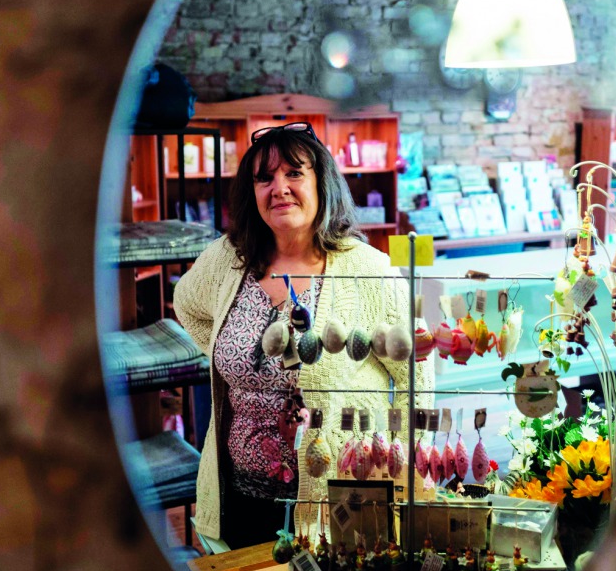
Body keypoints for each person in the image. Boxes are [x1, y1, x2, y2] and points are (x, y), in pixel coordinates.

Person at [173, 122, 432, 548]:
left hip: (340, 497)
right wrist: (228, 352)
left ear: (322, 183)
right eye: (264, 178)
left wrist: (401, 461)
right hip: (238, 496)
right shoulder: (228, 258)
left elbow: (416, 375)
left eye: (295, 172)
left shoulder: (366, 267)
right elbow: (187, 303)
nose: (279, 188)